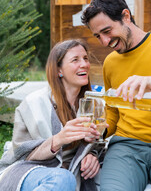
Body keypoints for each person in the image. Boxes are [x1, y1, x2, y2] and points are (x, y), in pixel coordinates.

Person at [0, 39, 106, 191]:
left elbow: (98, 144)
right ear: (59, 71)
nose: (84, 64)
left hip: (70, 170)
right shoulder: (33, 103)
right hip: (30, 169)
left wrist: (92, 155)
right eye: (75, 60)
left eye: (85, 58)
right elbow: (22, 153)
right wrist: (58, 140)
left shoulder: (92, 104)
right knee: (62, 179)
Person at [81, 0, 151, 191]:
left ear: (126, 16)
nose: (105, 42)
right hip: (127, 148)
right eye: (98, 36)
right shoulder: (110, 63)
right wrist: (100, 129)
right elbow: (113, 111)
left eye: (107, 31)